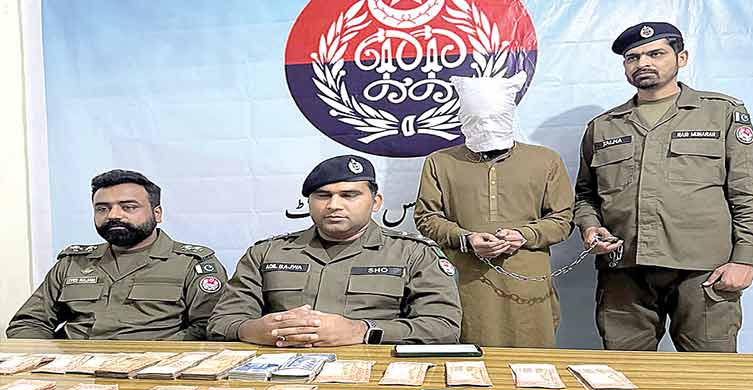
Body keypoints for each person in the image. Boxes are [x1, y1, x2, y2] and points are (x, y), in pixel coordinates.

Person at [574, 22, 753, 352]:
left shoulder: (721, 113)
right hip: (624, 271)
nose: (643, 63)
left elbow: (749, 192)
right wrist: (590, 228)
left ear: (681, 58)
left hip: (703, 272)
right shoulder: (603, 127)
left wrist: (745, 259)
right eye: (633, 57)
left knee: (711, 371)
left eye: (655, 54)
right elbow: (586, 196)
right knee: (624, 372)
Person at [208, 155, 462, 346]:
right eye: (323, 195)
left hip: (375, 375)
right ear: (309, 202)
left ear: (375, 203)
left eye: (349, 195)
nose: (333, 205)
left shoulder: (414, 254)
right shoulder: (267, 253)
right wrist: (256, 330)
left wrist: (362, 331)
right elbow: (221, 323)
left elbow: (443, 328)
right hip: (279, 371)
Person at [414, 73, 574, 347]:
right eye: (477, 119)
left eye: (494, 117)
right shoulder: (440, 162)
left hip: (528, 283)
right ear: (463, 117)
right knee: (468, 359)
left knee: (532, 359)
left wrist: (524, 235)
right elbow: (426, 217)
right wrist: (467, 239)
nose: (486, 126)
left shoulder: (546, 160)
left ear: (509, 115)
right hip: (466, 282)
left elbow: (563, 220)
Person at [6, 169, 227, 340]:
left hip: (154, 370)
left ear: (157, 213)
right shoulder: (73, 263)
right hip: (73, 368)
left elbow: (209, 328)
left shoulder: (192, 264)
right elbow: (29, 322)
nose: (113, 215)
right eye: (102, 208)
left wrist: (152, 357)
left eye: (128, 207)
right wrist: (48, 360)